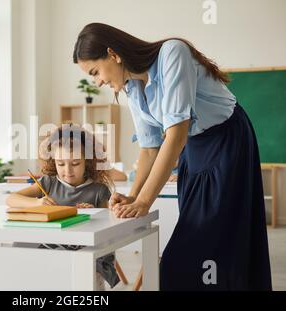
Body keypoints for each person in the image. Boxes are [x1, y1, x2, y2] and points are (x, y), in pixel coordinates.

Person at [73, 23, 271, 290]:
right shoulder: (131, 87)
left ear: (113, 54)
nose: (97, 82)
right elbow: (149, 148)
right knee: (197, 239)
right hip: (194, 149)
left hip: (226, 141)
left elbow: (176, 136)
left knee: (216, 240)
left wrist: (144, 201)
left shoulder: (172, 54)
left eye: (95, 72)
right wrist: (133, 195)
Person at [6, 124, 120, 289]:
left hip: (84, 253)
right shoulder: (48, 183)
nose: (67, 171)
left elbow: (109, 225)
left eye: (75, 163)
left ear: (87, 162)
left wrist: (95, 214)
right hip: (50, 250)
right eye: (60, 164)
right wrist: (37, 202)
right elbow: (12, 199)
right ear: (54, 162)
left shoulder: (99, 191)